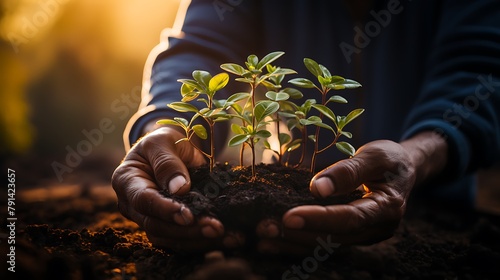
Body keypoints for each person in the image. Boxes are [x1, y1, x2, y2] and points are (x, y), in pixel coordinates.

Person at [111, 0, 500, 254]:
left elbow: (483, 68)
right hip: (273, 225)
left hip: (434, 221)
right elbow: (200, 47)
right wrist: (169, 129)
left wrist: (418, 155)